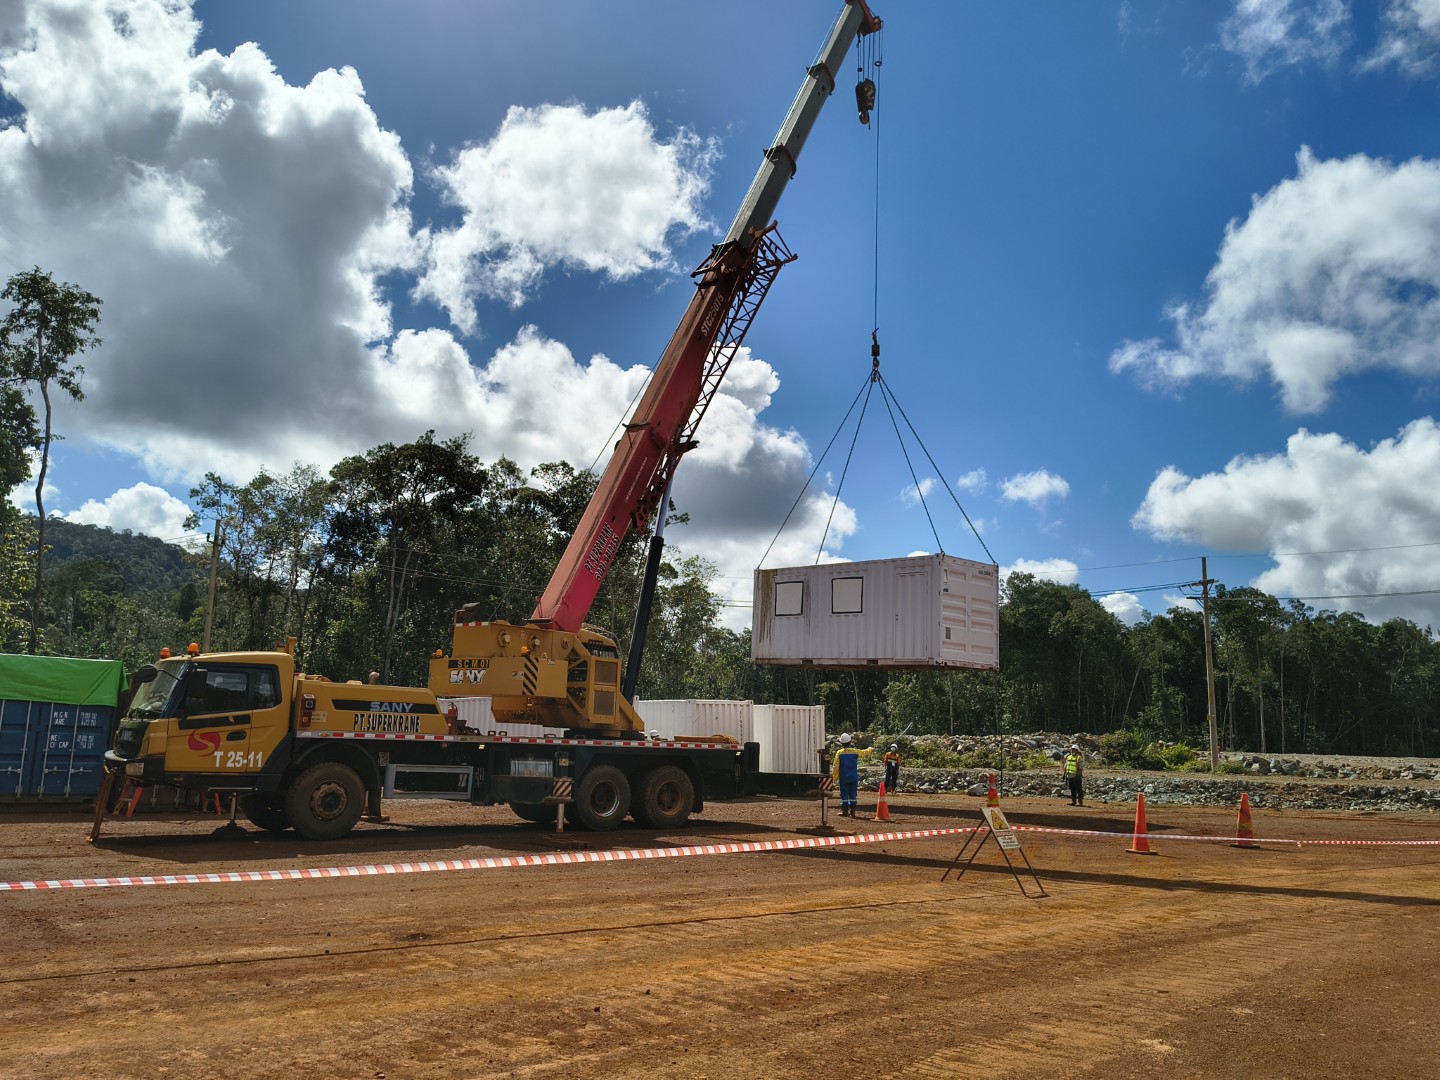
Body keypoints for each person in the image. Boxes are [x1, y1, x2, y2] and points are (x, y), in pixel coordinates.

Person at [832, 733, 861, 817]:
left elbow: (836, 766)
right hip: (853, 777)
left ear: (841, 743)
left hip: (844, 777)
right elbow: (864, 752)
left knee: (844, 794)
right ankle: (853, 811)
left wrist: (835, 777)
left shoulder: (839, 753)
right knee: (853, 794)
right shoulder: (855, 752)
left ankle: (845, 811)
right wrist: (870, 749)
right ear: (850, 741)